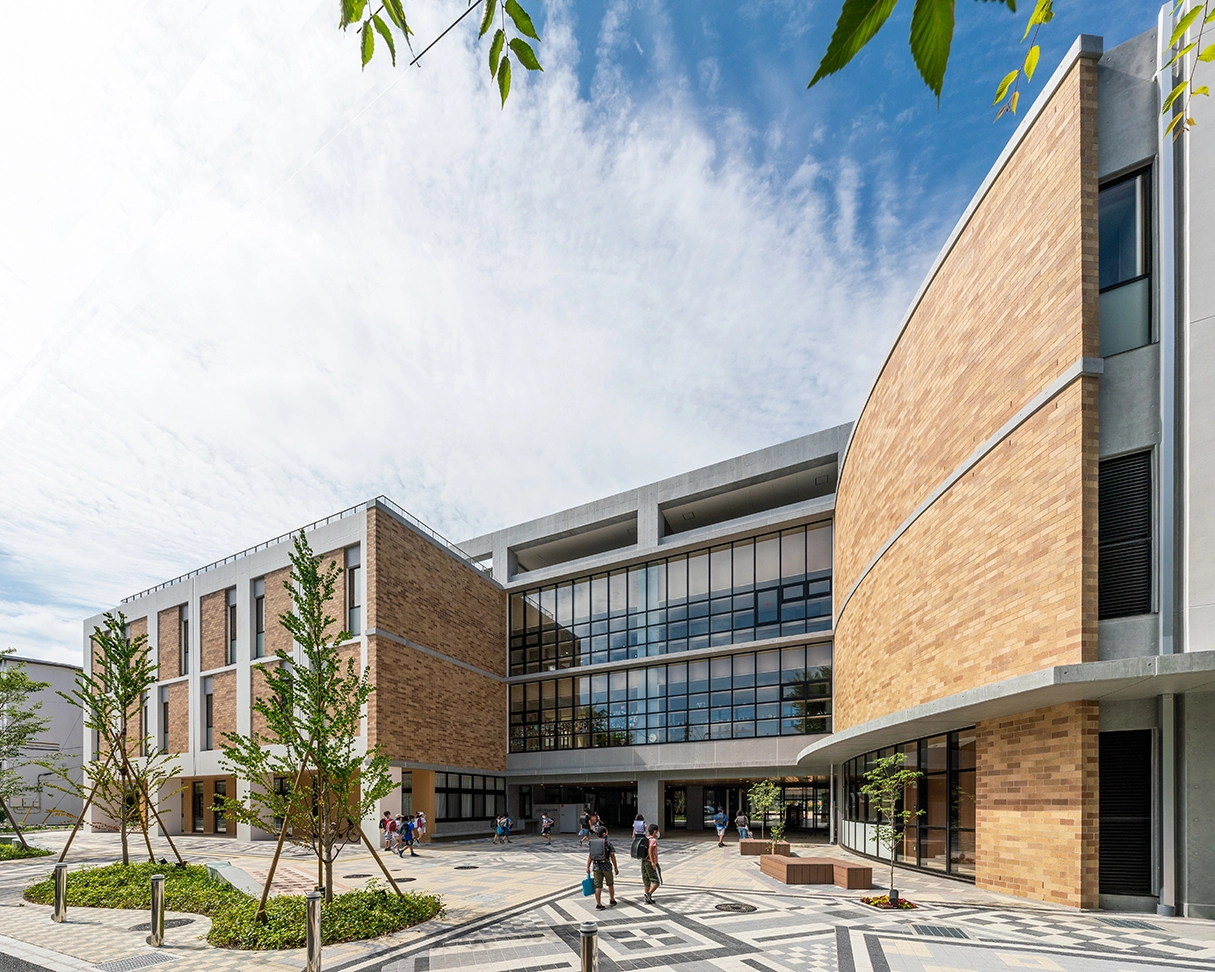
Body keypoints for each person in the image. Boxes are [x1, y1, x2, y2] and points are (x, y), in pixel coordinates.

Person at [585, 825, 618, 909]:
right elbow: (612, 856)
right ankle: (612, 899)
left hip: (596, 867)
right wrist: (615, 867)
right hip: (607, 867)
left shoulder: (593, 843)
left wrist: (588, 867)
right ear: (604, 833)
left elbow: (590, 856)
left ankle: (598, 904)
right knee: (610, 884)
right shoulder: (608, 843)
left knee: (598, 886)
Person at [641, 823, 661, 904]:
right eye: (658, 831)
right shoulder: (653, 840)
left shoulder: (646, 839)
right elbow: (650, 850)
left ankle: (647, 899)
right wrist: (653, 862)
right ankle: (648, 894)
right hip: (650, 862)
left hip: (644, 861)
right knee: (657, 881)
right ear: (655, 831)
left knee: (646, 881)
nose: (658, 833)